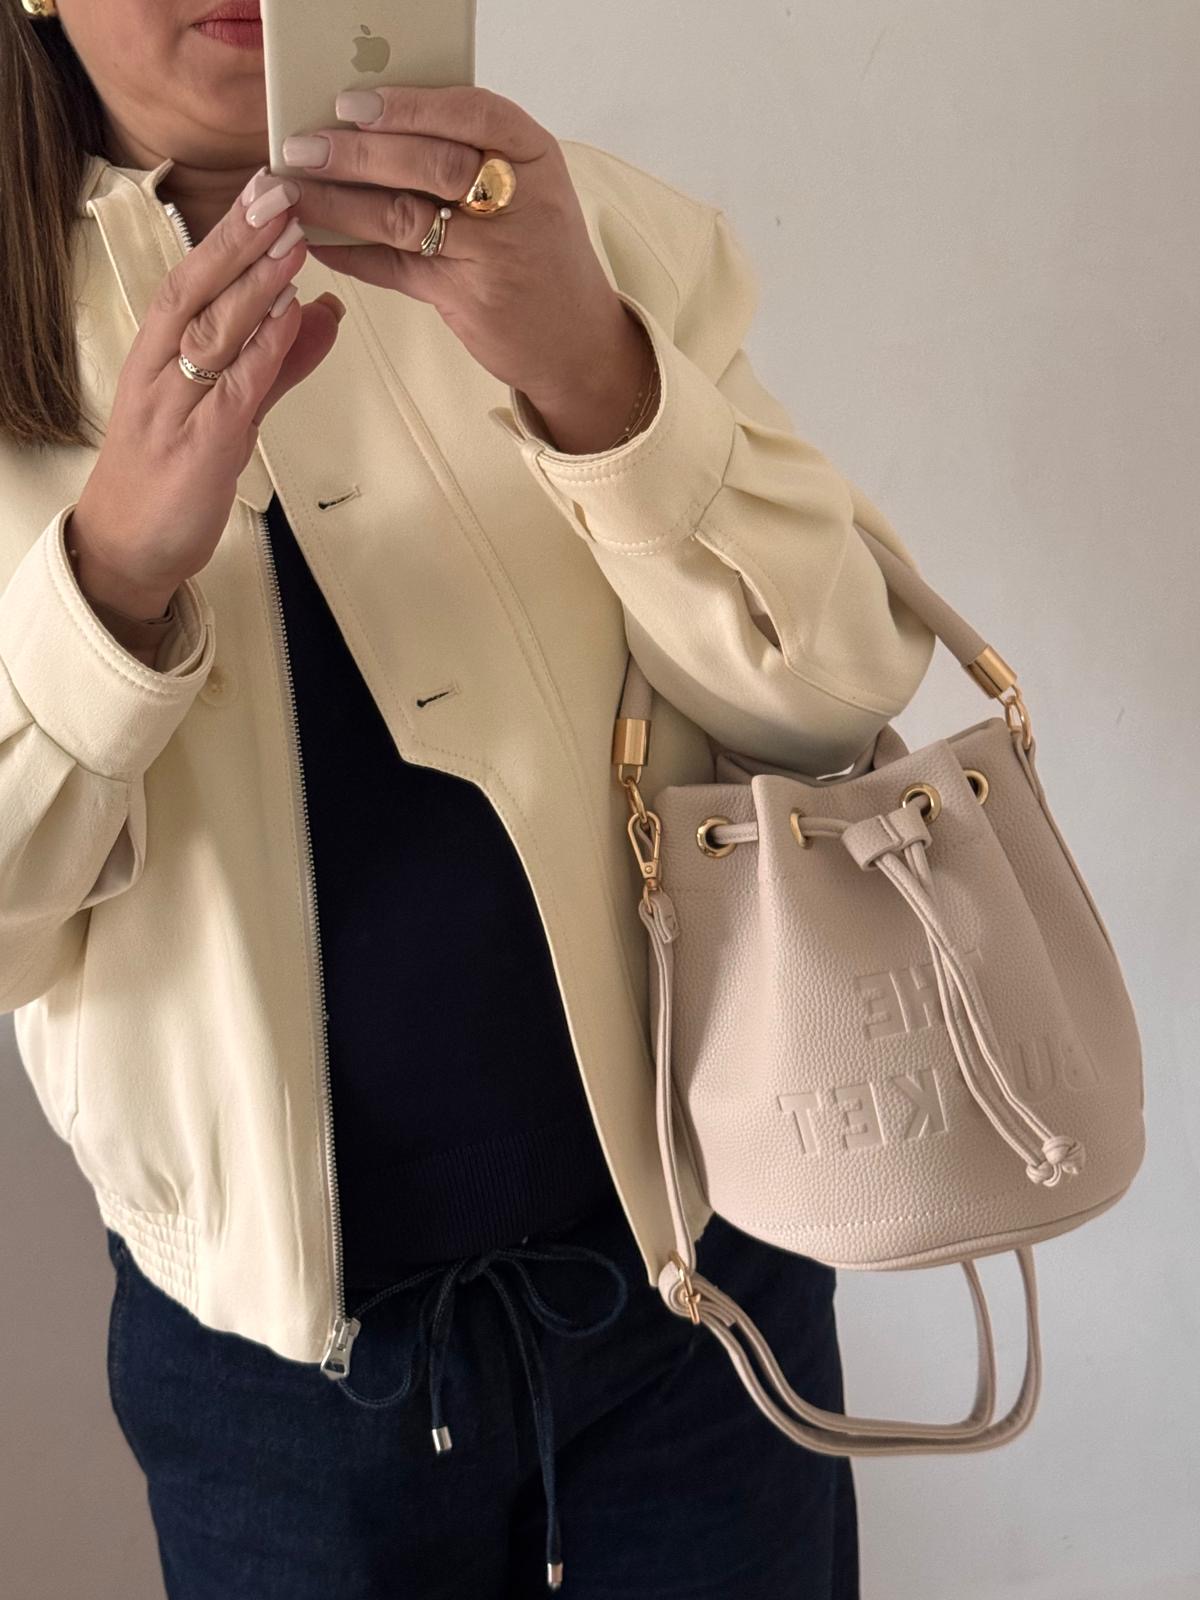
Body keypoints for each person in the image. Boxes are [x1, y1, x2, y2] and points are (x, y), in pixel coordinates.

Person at [0, 1, 937, 1595]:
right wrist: (109, 584)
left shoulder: (574, 224)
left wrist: (602, 383)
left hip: (706, 1301)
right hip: (278, 1404)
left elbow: (841, 683)